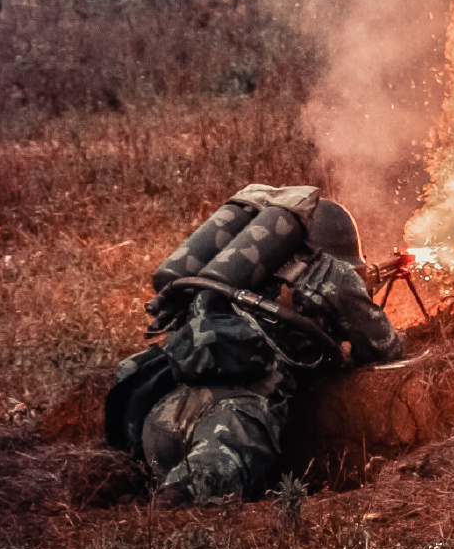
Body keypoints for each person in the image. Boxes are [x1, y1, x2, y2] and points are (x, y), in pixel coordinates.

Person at [104, 184, 405, 507]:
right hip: (232, 417)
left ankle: (133, 488)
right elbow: (383, 347)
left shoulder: (236, 276)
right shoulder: (334, 273)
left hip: (161, 417)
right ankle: (169, 500)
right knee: (202, 490)